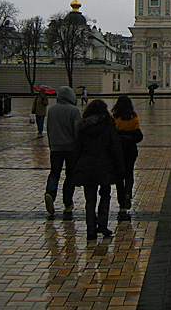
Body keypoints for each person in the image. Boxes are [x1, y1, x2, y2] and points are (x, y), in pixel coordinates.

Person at [72, 99, 125, 241]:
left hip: (87, 165)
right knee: (105, 194)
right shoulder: (108, 123)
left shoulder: (84, 127)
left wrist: (73, 168)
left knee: (90, 199)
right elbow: (115, 145)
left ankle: (90, 229)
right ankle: (102, 222)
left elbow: (77, 149)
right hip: (105, 164)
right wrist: (120, 165)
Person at [45, 86, 82, 218]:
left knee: (54, 173)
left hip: (55, 147)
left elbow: (49, 128)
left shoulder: (52, 110)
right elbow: (77, 130)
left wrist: (51, 144)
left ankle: (50, 193)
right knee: (70, 176)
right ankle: (67, 203)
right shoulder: (74, 110)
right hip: (71, 148)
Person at [112, 95, 143, 215]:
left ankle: (121, 202)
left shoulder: (114, 118)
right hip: (130, 150)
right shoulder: (134, 117)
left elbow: (112, 133)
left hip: (118, 151)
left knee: (119, 176)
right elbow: (138, 134)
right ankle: (128, 193)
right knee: (129, 173)